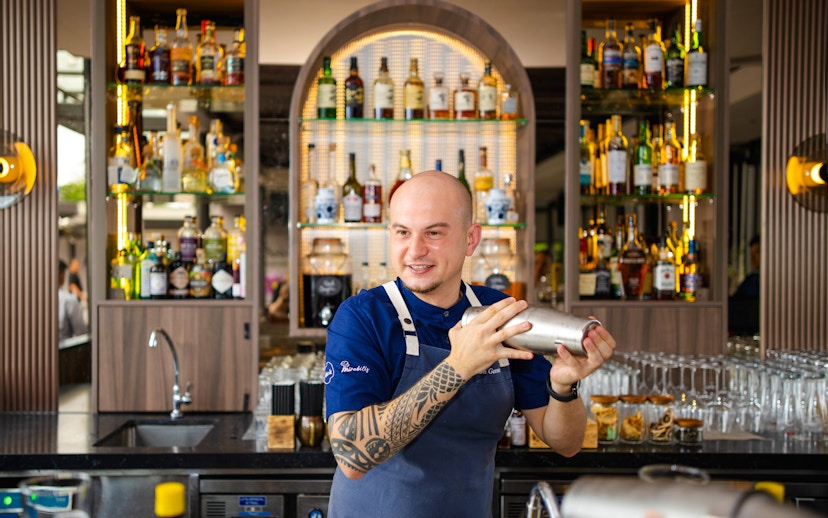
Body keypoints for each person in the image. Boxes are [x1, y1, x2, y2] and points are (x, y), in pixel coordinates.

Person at [323, 170, 616, 517]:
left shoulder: (499, 314)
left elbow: (566, 443)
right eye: (403, 232)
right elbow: (352, 455)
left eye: (434, 233)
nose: (415, 250)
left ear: (471, 239)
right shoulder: (363, 316)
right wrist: (459, 366)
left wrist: (563, 386)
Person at [59, 259, 88, 341]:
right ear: (61, 275)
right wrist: (82, 296)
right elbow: (81, 332)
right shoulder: (68, 300)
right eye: (76, 264)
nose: (78, 266)